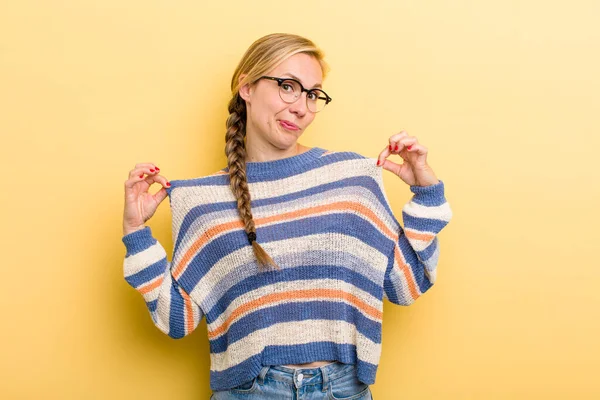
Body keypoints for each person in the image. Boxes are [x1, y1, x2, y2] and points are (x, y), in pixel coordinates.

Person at [121, 33, 452, 399]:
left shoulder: (351, 178)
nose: (302, 107)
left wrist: (427, 194)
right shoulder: (202, 202)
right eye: (288, 87)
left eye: (312, 94)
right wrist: (136, 234)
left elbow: (407, 287)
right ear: (246, 87)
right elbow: (176, 321)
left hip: (344, 390)